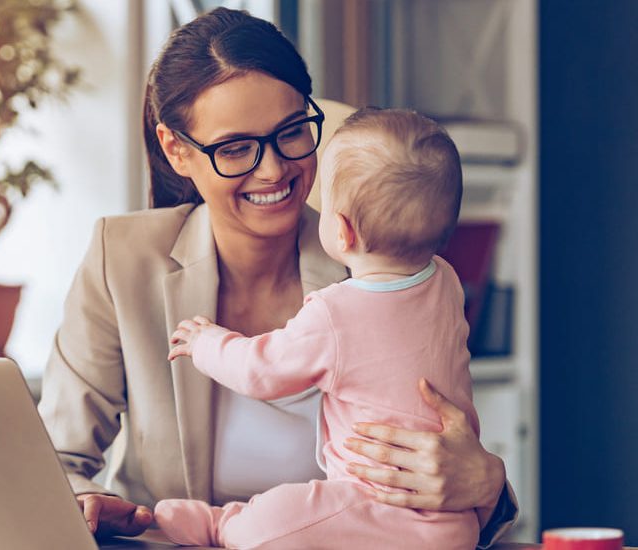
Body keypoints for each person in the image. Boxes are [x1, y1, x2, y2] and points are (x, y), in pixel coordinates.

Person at [37, 7, 517, 547]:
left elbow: (448, 441)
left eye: (291, 132)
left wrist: (487, 481)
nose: (273, 170)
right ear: (177, 150)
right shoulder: (121, 258)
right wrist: (87, 507)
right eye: (236, 148)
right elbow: (54, 459)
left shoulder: (382, 261)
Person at [154, 107, 479, 549]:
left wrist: (207, 341)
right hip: (454, 524)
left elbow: (261, 369)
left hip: (372, 501)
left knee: (281, 515)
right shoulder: (446, 282)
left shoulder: (336, 312)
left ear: (341, 232)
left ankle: (221, 525)